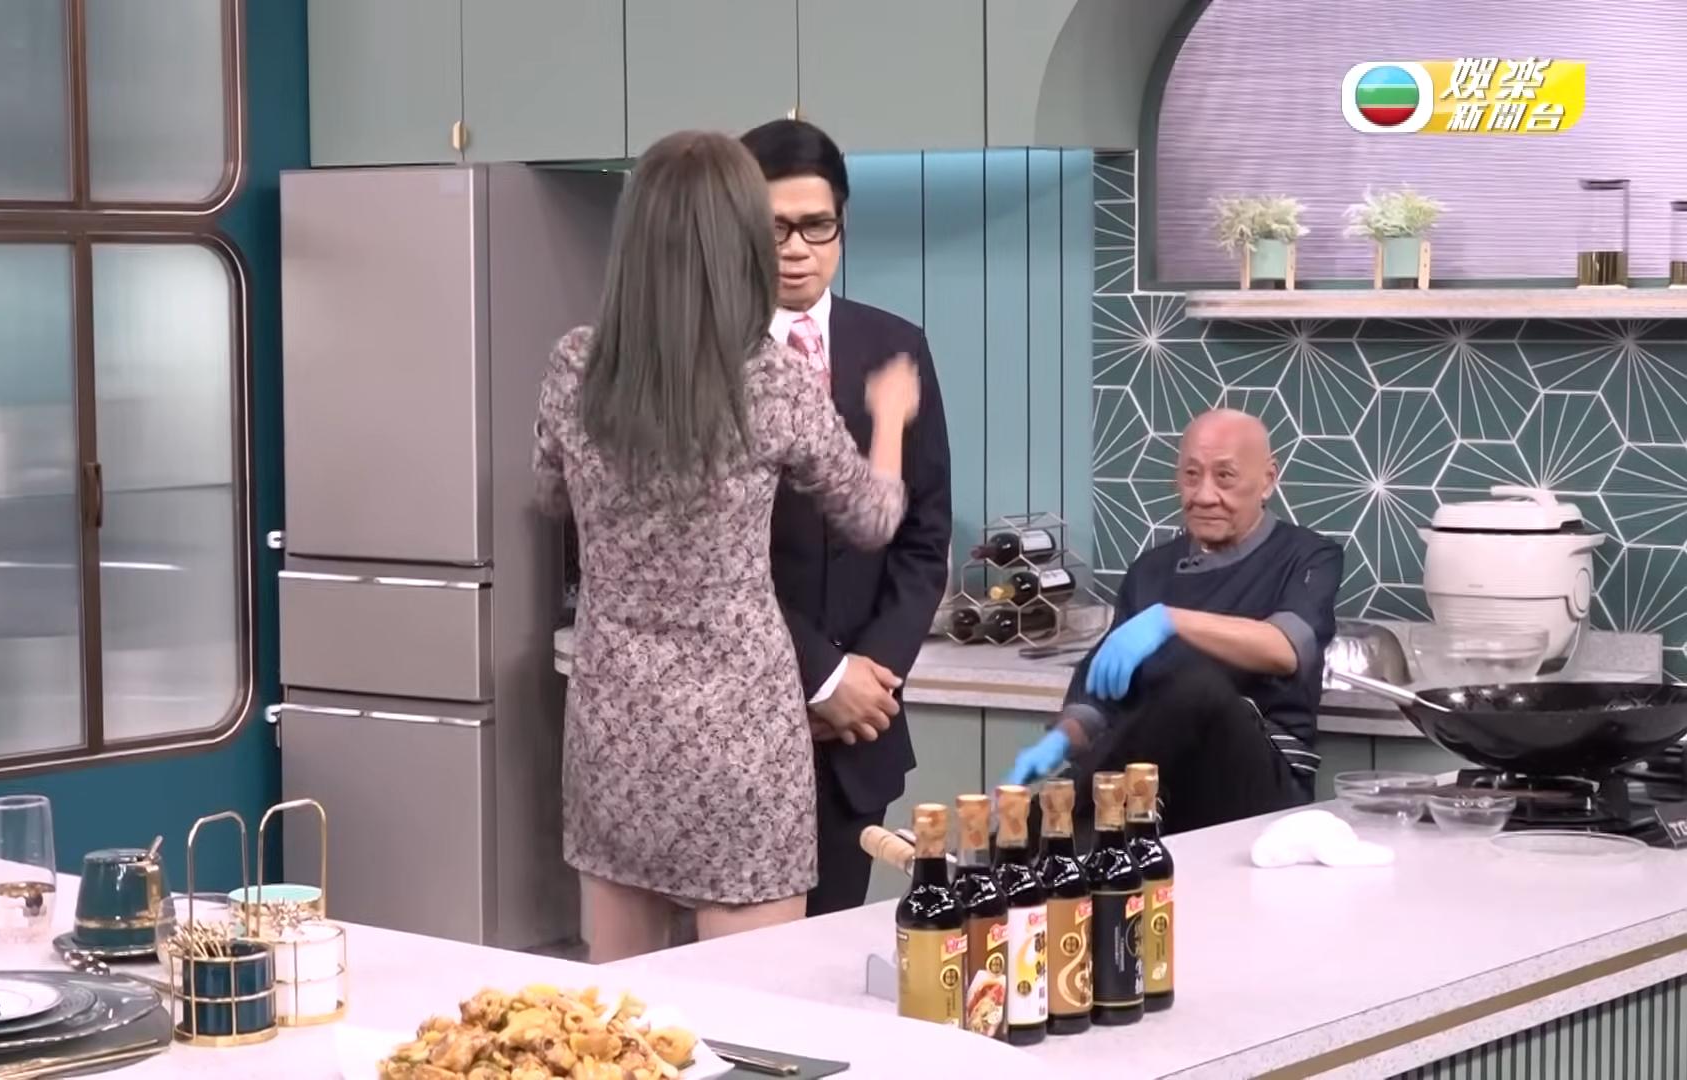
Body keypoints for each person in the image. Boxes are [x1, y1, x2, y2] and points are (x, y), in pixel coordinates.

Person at [532, 130, 922, 962]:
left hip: (614, 725)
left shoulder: (575, 365)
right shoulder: (771, 380)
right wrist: (889, 418)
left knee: (627, 1008)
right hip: (740, 734)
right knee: (756, 1002)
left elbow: (550, 494)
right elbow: (872, 516)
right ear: (740, 242)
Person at [741, 119, 952, 916]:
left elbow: (925, 533)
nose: (797, 249)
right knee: (733, 967)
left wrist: (870, 677)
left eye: (816, 226)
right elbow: (714, 558)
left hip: (860, 731)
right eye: (775, 229)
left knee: (828, 954)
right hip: (742, 722)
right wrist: (817, 678)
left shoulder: (895, 344)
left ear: (842, 225)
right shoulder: (706, 358)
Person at [1005, 408, 1342, 833]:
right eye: (1191, 475)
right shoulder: (1150, 571)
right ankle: (1028, 841)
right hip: (1158, 783)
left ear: (1268, 479)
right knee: (1101, 818)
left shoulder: (1308, 556)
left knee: (1195, 688)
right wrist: (1062, 739)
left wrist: (1170, 620)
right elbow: (1102, 693)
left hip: (1259, 785)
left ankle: (1034, 835)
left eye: (1225, 477)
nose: (1203, 495)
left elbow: (1286, 648)